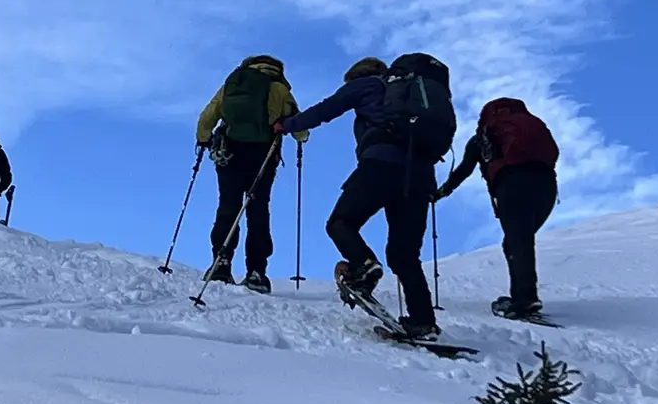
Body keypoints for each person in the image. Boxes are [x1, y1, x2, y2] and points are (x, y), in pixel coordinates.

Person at [277, 53, 457, 340]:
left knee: (340, 222)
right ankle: (423, 321)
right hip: (421, 174)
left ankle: (363, 265)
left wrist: (287, 125)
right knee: (405, 254)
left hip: (380, 165)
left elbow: (328, 108)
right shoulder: (412, 93)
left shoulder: (367, 84)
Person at [436, 98, 559, 319]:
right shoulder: (531, 124)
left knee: (517, 241)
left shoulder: (483, 137)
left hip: (512, 184)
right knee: (516, 241)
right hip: (547, 185)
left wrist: (441, 192)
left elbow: (464, 170)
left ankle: (525, 300)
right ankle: (522, 296)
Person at [195, 55, 307, 292]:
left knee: (228, 205)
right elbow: (300, 127)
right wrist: (301, 137)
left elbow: (207, 117)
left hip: (229, 153)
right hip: (263, 156)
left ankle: (220, 263)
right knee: (257, 209)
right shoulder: (278, 88)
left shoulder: (231, 84)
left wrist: (203, 139)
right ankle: (257, 272)